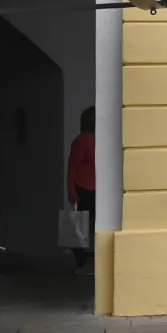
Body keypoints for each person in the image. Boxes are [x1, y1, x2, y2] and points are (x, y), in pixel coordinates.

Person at [66, 106, 97, 274]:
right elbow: (72, 168)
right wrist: (72, 192)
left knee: (91, 228)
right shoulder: (82, 141)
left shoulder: (100, 139)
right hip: (84, 190)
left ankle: (89, 262)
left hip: (97, 190)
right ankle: (82, 262)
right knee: (78, 230)